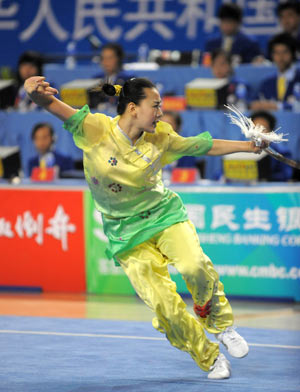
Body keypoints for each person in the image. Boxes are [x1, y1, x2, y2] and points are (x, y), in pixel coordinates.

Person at [24, 75, 267, 380]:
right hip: (125, 233)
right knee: (165, 305)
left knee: (194, 266)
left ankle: (220, 323)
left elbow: (201, 145)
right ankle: (209, 356)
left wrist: (248, 145)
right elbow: (53, 105)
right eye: (155, 106)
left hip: (164, 216)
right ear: (132, 108)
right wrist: (33, 92)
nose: (160, 112)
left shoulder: (160, 136)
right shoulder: (96, 129)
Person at [251, 33, 300, 112]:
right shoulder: (267, 82)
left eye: (285, 52)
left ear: (293, 53)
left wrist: (277, 106)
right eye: (276, 53)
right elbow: (253, 104)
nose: (281, 57)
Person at [251, 111, 293, 181]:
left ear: (271, 131)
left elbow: (286, 175)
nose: (257, 133)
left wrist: (264, 178)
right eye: (254, 128)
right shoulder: (242, 151)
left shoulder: (282, 152)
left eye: (263, 129)